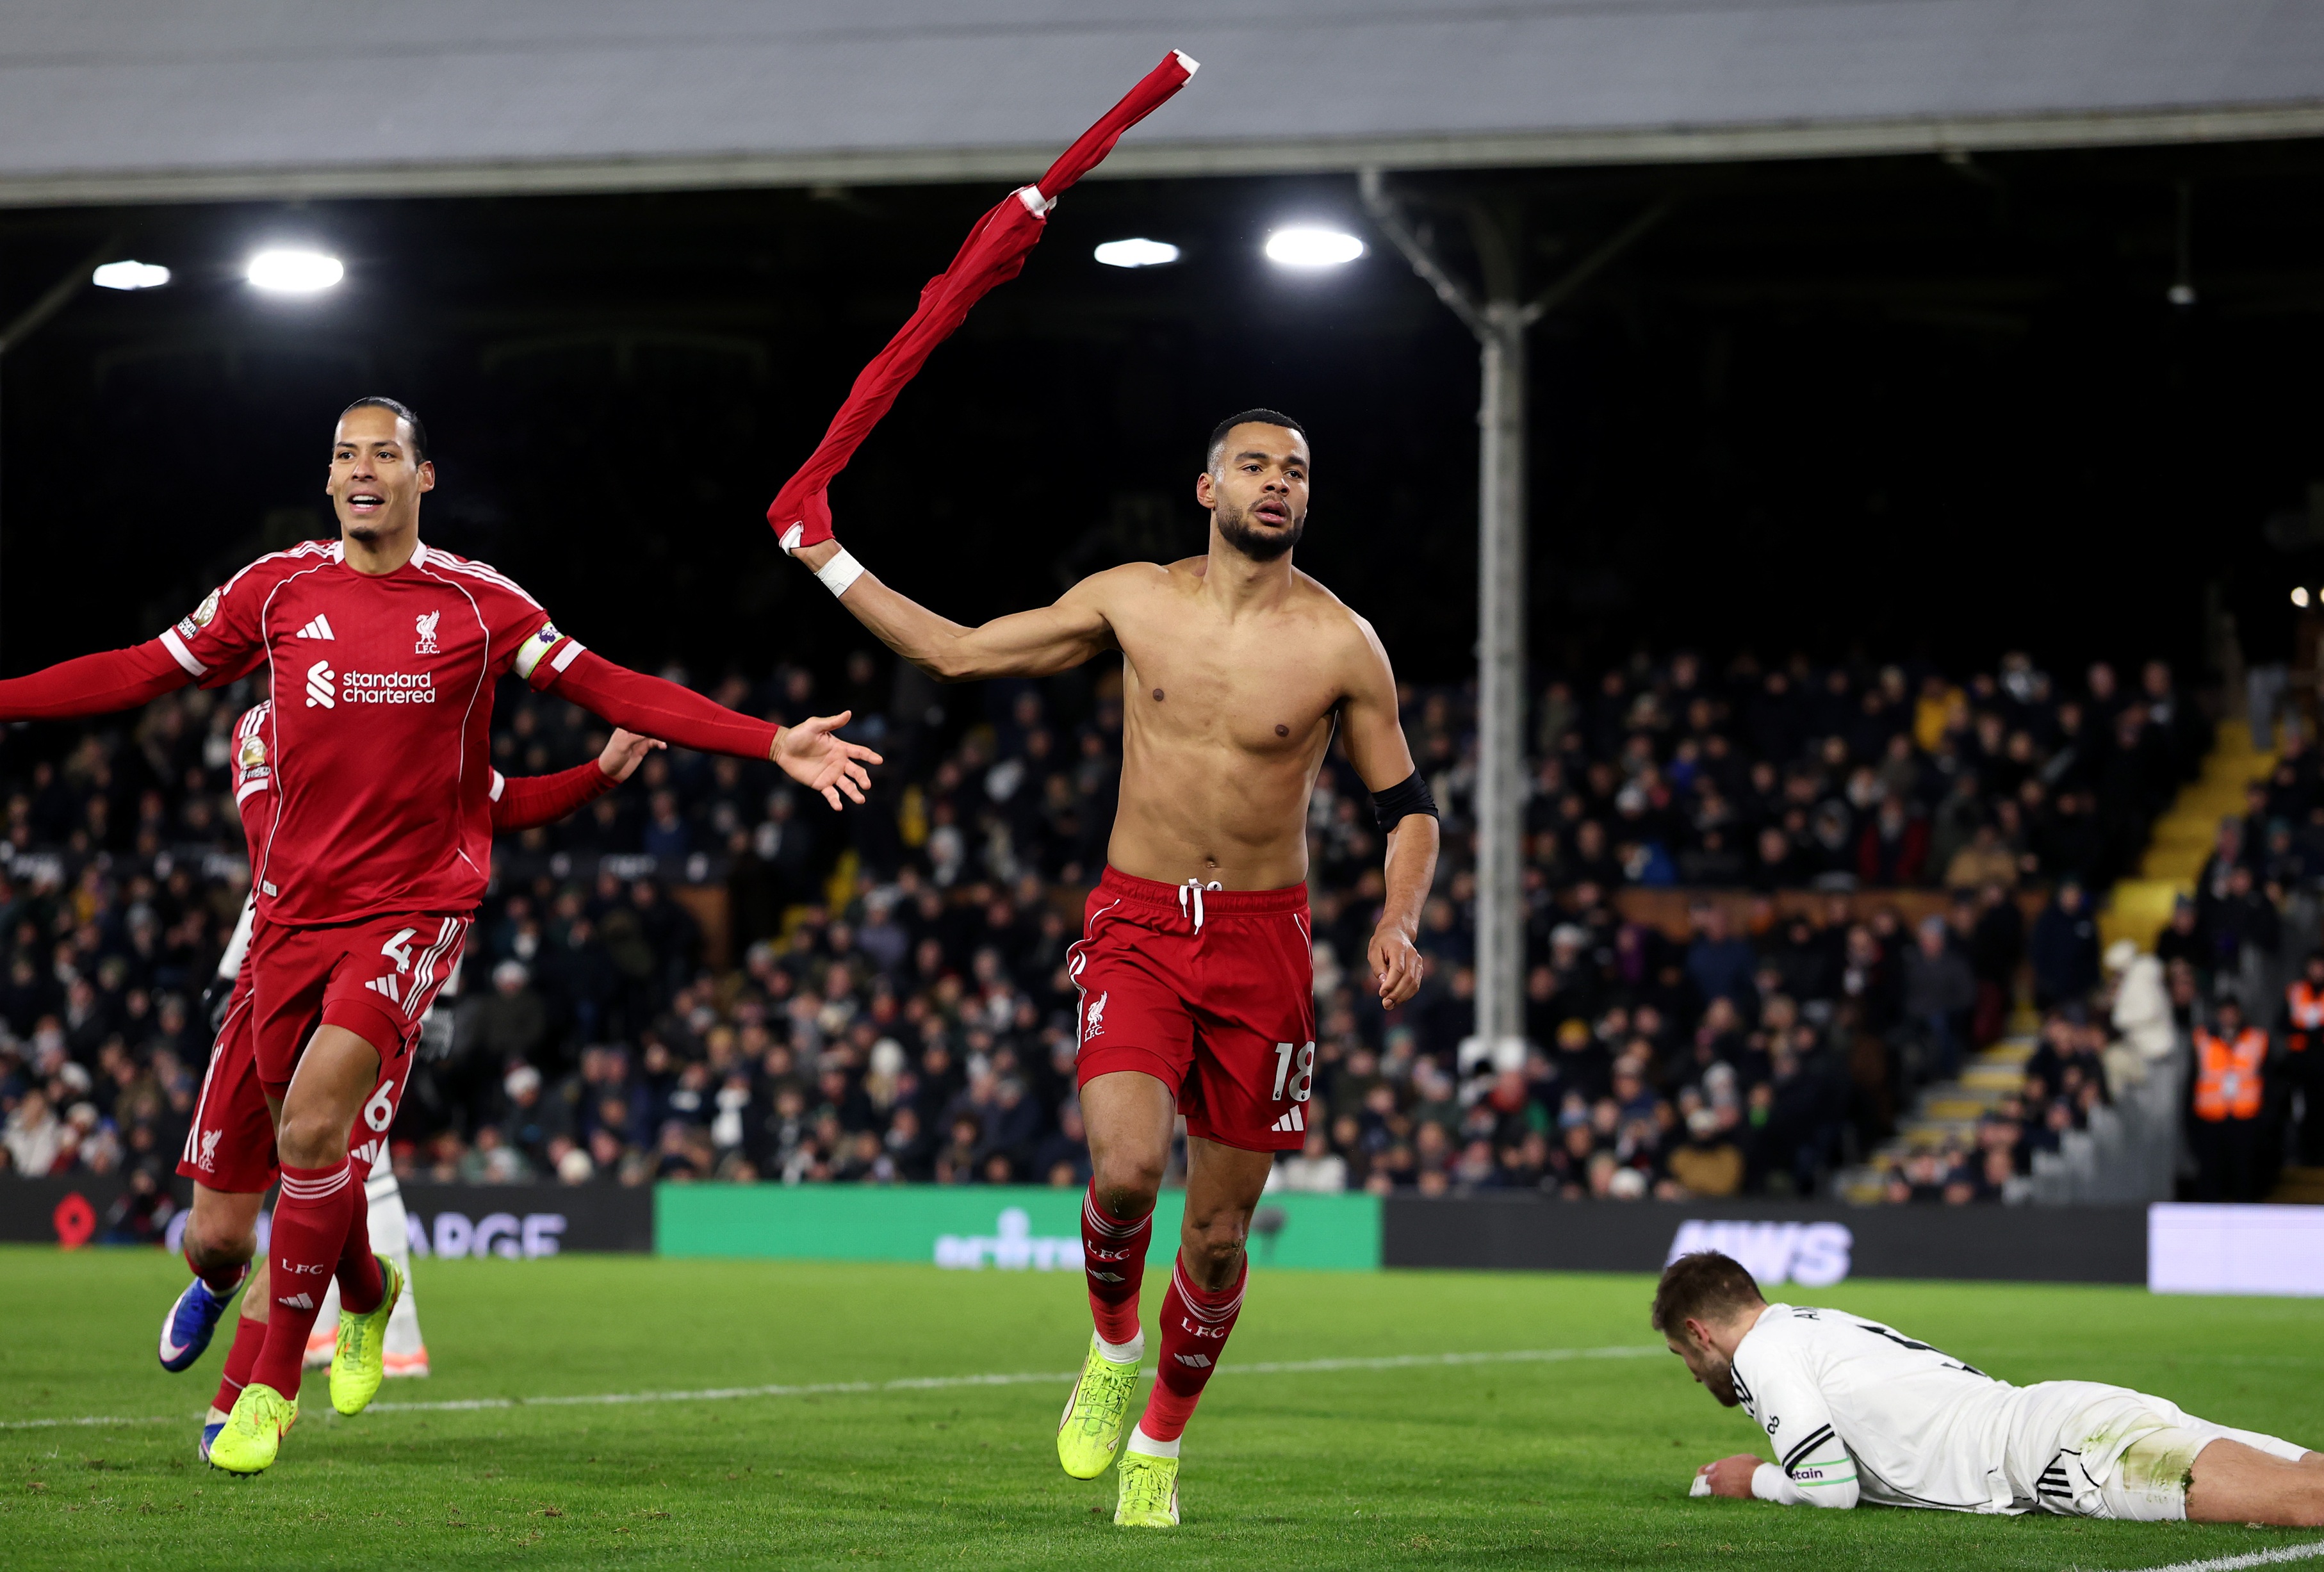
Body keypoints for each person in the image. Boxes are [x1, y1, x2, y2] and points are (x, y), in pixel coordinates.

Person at [0, 397, 880, 1475]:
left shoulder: (476, 604)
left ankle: (270, 1385)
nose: (361, 467)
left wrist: (765, 740)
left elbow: (608, 683)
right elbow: (141, 667)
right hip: (284, 927)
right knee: (245, 1204)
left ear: (425, 477)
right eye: (343, 453)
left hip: (412, 914)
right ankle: (366, 1292)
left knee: (319, 1121)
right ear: (327, 481)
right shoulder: (273, 593)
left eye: (384, 452)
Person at [786, 409, 1436, 1527]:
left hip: (1262, 941)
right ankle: (1111, 1345)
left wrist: (1398, 915)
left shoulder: (1341, 642)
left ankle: (1158, 1446)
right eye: (1253, 466)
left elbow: (1407, 808)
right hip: (1137, 923)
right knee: (1127, 1170)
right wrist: (822, 553)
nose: (1275, 484)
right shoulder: (1134, 597)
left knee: (1221, 1236)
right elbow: (953, 648)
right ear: (1205, 488)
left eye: (1294, 471)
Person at [160, 699, 663, 1464]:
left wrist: (597, 773)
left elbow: (497, 804)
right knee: (219, 1234)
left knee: (312, 1172)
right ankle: (304, 1285)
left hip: (375, 975)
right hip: (273, 974)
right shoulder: (263, 728)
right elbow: (277, 858)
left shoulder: (420, 725)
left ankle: (242, 1402)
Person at [1657, 1250, 2321, 1523]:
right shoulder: (1808, 1325)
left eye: (1681, 1354)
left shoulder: (1765, 1353)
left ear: (1699, 1331)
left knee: (2304, 1500)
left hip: (2060, 1455)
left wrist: (1760, 1481)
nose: (1689, 1373)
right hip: (2071, 1417)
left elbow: (1829, 1491)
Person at [2189, 996, 2269, 1202]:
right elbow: (2192, 1079)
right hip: (2211, 1116)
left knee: (2244, 1173)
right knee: (2211, 1173)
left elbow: (2267, 1079)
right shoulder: (2202, 1039)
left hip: (2246, 1116)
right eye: (2224, 1012)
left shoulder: (2256, 1039)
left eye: (2232, 1012)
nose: (2228, 1017)